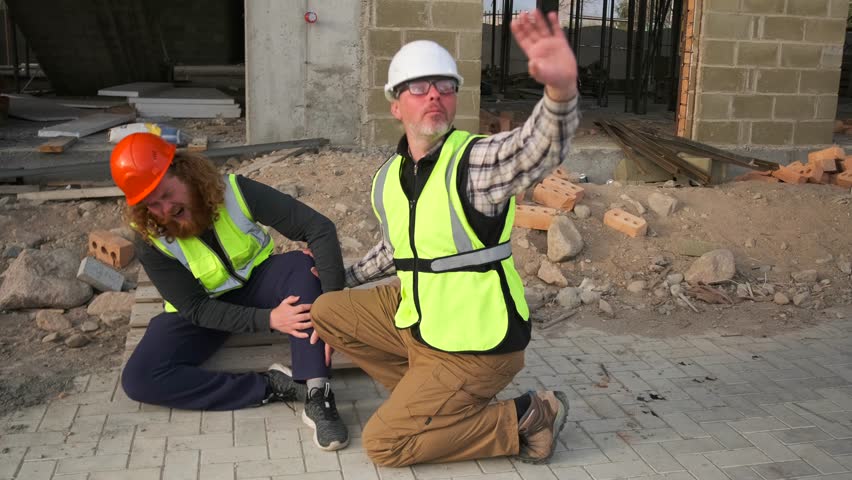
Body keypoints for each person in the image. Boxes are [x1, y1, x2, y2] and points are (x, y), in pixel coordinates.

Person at [310, 9, 579, 467]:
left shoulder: (476, 163)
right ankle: (433, 401)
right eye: (419, 87)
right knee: (327, 310)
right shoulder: (388, 177)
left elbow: (536, 148)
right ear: (396, 106)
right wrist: (341, 277)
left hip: (476, 343)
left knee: (385, 445)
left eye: (445, 86)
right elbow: (397, 249)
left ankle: (526, 417)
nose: (434, 94)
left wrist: (560, 91)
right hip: (422, 319)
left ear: (454, 100)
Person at [111, 132, 348, 451]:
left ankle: (318, 394)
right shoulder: (148, 239)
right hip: (204, 311)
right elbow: (195, 308)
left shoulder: (235, 191)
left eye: (167, 193)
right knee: (139, 379)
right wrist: (269, 320)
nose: (166, 209)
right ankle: (270, 387)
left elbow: (318, 228)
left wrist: (331, 307)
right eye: (152, 204)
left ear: (184, 172)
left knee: (302, 268)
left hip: (259, 283)